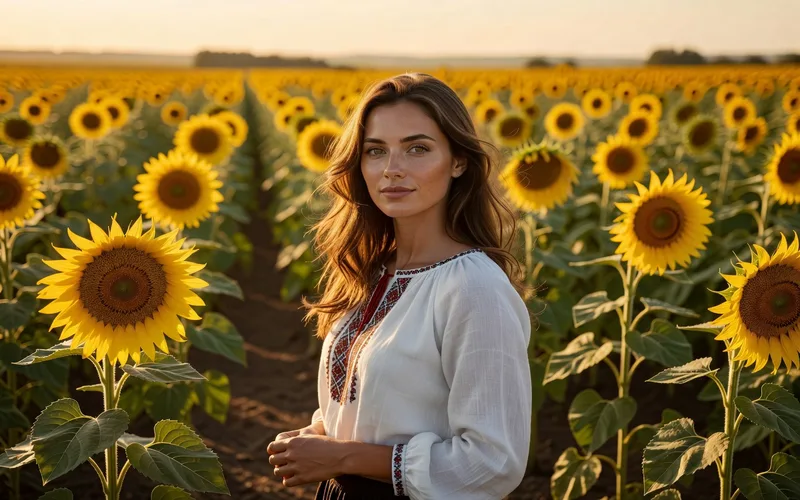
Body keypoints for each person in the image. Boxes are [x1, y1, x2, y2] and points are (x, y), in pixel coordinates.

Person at [266, 73, 533, 500]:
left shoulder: (475, 289)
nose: (392, 169)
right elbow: (376, 402)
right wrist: (320, 433)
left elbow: (492, 462)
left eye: (417, 148)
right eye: (376, 151)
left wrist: (342, 458)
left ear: (459, 161)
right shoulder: (371, 271)